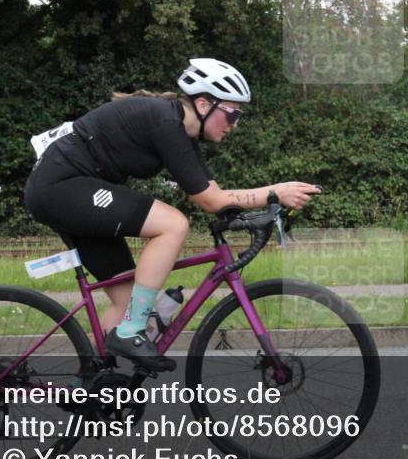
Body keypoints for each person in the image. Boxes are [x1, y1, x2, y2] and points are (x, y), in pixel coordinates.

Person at [23, 58, 320, 372]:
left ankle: (95, 389)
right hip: (61, 185)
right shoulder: (165, 121)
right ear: (204, 103)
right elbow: (209, 200)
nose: (234, 124)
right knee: (173, 224)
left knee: (127, 303)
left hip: (74, 189)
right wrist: (275, 191)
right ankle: (130, 332)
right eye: (232, 113)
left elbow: (216, 197)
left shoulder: (182, 135)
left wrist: (254, 212)